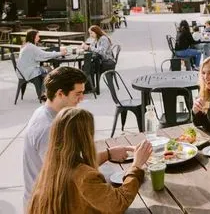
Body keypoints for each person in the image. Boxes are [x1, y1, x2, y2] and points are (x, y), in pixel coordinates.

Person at [23, 67, 134, 205]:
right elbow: (72, 175)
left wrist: (109, 154)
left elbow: (72, 164)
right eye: (78, 93)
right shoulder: (48, 129)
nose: (82, 98)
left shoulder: (47, 113)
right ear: (60, 94)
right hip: (50, 205)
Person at [28, 107, 152, 214]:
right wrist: (136, 165)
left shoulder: (51, 167)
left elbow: (75, 169)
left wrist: (109, 154)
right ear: (85, 137)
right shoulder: (86, 177)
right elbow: (118, 203)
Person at [17, 30, 66, 99]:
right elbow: (44, 55)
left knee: (47, 69)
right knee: (50, 71)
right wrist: (60, 53)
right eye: (38, 36)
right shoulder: (31, 47)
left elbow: (37, 57)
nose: (39, 38)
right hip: (28, 72)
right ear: (33, 37)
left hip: (22, 71)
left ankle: (43, 92)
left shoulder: (25, 45)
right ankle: (43, 94)